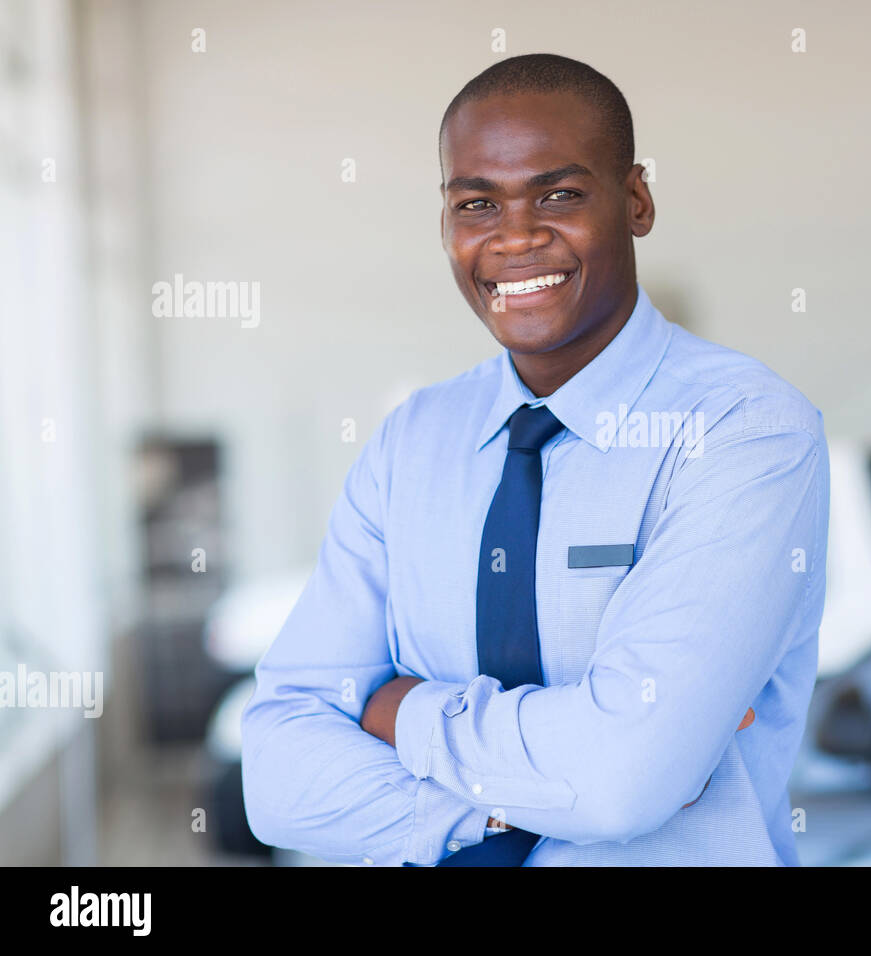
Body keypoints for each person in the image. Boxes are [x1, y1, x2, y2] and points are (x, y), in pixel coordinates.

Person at [241, 52, 829, 866]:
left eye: (558, 194)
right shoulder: (413, 440)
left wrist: (399, 710)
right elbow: (276, 779)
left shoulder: (745, 432)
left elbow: (622, 777)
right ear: (446, 226)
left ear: (636, 200)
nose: (515, 237)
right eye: (477, 203)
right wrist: (507, 809)